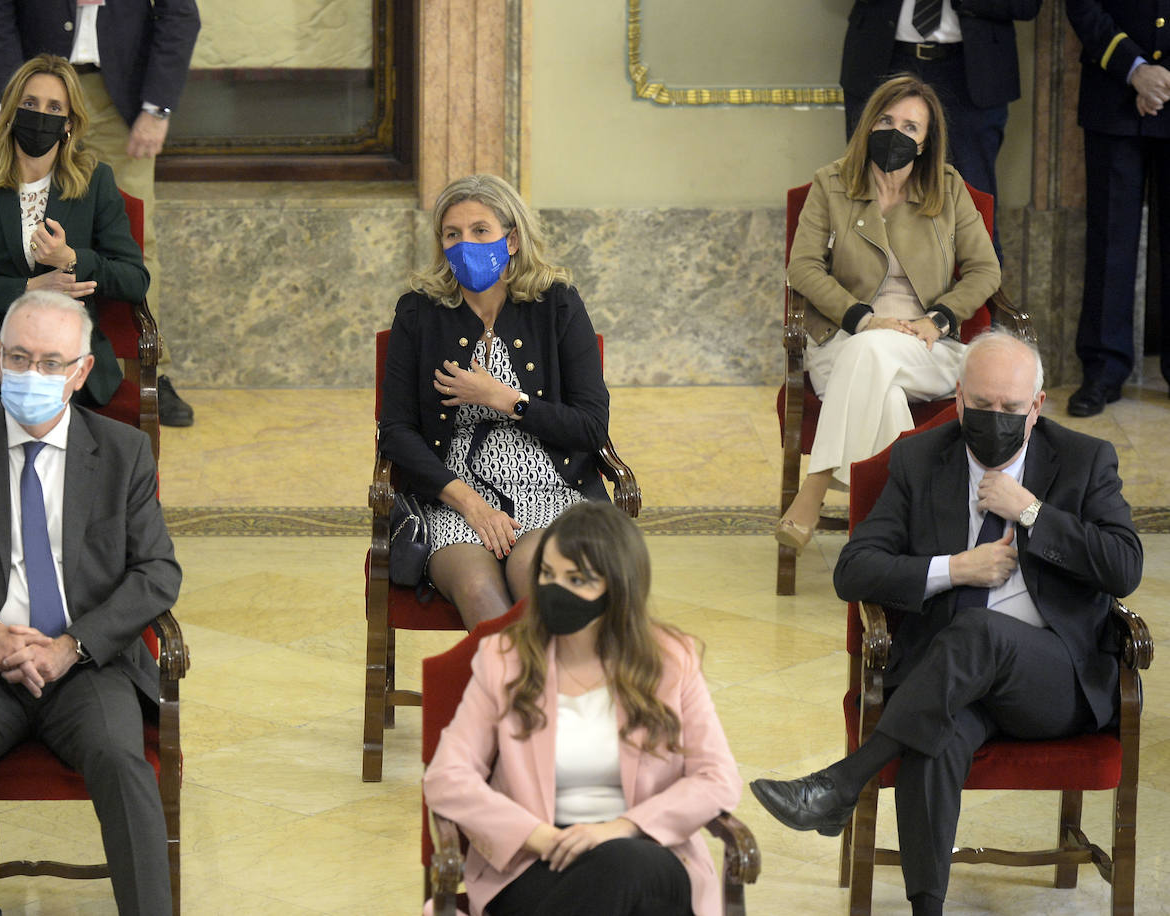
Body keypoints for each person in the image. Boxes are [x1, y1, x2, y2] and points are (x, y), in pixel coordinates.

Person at [751, 329, 1142, 916]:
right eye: (982, 405)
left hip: (1055, 680)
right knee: (933, 738)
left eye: (1011, 408)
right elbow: (853, 571)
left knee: (982, 635)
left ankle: (844, 781)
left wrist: (1031, 511)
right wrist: (953, 569)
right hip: (950, 681)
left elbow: (1124, 565)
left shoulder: (1084, 460)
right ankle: (926, 909)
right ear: (958, 400)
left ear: (1035, 408)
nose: (996, 418)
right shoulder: (916, 459)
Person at [0, 290, 181, 916]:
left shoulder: (123, 454)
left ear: (81, 371)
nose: (31, 375)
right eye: (19, 358)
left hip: (86, 664)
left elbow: (157, 573)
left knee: (124, 762)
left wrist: (76, 645)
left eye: (50, 362)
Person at [423, 501, 742, 916]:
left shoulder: (669, 660)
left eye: (577, 579)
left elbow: (717, 778)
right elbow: (448, 777)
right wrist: (538, 836)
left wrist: (618, 830)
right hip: (534, 866)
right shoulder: (505, 658)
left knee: (628, 865)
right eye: (547, 575)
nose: (556, 591)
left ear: (618, 587)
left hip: (646, 851)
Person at [777, 74, 1001, 552]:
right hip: (843, 339)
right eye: (886, 120)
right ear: (869, 123)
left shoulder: (948, 188)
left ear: (925, 143)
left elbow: (985, 271)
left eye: (911, 127)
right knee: (881, 379)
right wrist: (861, 318)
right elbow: (803, 268)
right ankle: (897, 538)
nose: (896, 133)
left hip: (929, 345)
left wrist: (939, 319)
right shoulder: (832, 184)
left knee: (873, 354)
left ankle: (813, 490)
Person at [378, 174, 611, 630]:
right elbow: (396, 431)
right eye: (452, 234)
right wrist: (469, 502)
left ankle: (540, 699)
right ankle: (513, 700)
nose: (465, 244)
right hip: (455, 496)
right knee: (479, 591)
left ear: (513, 239)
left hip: (552, 492)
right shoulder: (418, 311)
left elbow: (590, 427)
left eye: (480, 231)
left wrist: (506, 399)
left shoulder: (557, 304)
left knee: (535, 577)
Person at [0, 0, 201, 427]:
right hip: (40, 97)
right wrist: (10, 105)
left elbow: (179, 13)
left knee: (135, 238)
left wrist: (157, 106)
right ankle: (22, 362)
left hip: (122, 98)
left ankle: (146, 369)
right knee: (25, 227)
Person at [0, 54, 149, 415]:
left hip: (68, 348)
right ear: (12, 112)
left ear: (69, 124)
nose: (40, 114)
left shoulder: (95, 181)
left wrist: (72, 259)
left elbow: (134, 281)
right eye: (30, 103)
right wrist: (28, 289)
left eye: (54, 107)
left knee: (64, 442)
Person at [840, 0, 1041, 261]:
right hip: (883, 59)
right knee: (873, 197)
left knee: (971, 202)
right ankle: (874, 296)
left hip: (971, 72)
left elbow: (1028, 6)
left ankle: (976, 298)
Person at [1064, 0, 1170, 417]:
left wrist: (1162, 82)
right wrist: (1136, 71)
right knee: (1110, 242)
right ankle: (1103, 369)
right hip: (1112, 95)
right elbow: (1084, 6)